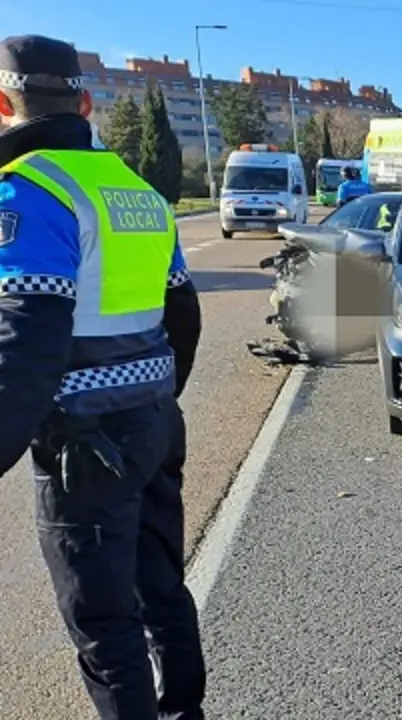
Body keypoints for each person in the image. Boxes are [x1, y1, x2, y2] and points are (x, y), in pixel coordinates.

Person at [0, 35, 206, 720]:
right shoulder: (140, 191)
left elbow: (26, 342)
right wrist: (156, 401)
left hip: (86, 444)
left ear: (4, 103)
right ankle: (185, 712)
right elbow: (183, 315)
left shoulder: (29, 192)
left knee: (104, 623)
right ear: (85, 101)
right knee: (162, 591)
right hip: (153, 422)